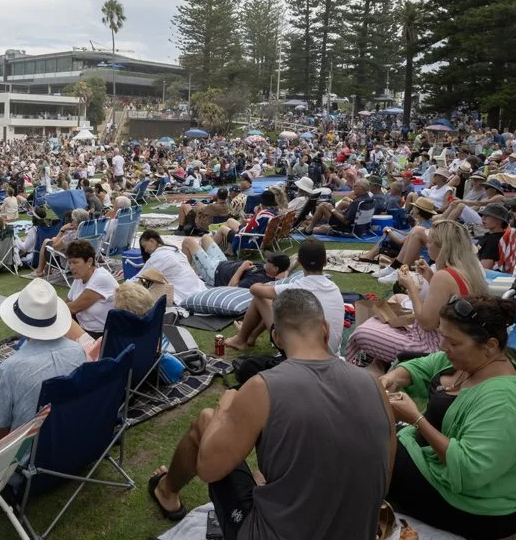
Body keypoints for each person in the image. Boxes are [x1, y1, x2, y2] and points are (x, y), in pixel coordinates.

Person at [149, 289, 395, 539]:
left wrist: (224, 409)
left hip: (269, 532)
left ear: (276, 337)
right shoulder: (376, 386)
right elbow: (383, 481)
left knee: (206, 419)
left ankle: (166, 491)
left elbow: (209, 469)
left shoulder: (262, 387)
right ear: (326, 329)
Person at [380, 296, 516, 539]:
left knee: (371, 455)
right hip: (440, 465)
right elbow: (423, 366)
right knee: (373, 437)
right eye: (442, 336)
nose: (443, 346)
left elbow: (468, 470)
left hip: (482, 507)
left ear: (490, 345)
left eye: (453, 342)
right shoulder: (467, 360)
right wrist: (393, 378)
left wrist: (416, 420)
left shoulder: (504, 403)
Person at [347, 220, 488, 369]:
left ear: (442, 247)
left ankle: (366, 361)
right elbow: (449, 300)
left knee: (361, 333)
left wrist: (410, 287)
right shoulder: (469, 269)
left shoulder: (444, 276)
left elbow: (427, 323)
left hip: (436, 348)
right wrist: (430, 277)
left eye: (430, 242)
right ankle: (376, 361)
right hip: (460, 340)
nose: (427, 245)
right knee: (385, 309)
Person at [0, 278, 86, 441]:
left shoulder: (12, 367)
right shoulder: (78, 351)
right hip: (70, 438)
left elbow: (1, 431)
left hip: (28, 450)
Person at [225, 239, 345, 355]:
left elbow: (254, 289)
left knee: (260, 298)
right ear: (325, 262)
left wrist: (266, 284)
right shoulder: (334, 288)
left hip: (304, 354)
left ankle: (240, 340)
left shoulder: (297, 288)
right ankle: (251, 336)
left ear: (300, 262)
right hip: (331, 353)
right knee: (280, 304)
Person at [137, 229, 206, 306]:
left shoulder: (158, 257)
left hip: (186, 295)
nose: (145, 250)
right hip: (199, 288)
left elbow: (139, 279)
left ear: (152, 241)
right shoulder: (174, 250)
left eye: (145, 246)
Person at [64, 239, 117, 336]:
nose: (71, 267)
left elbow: (74, 308)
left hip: (104, 335)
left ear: (89, 261)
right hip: (84, 329)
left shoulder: (101, 278)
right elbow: (67, 303)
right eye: (70, 263)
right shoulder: (79, 277)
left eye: (75, 262)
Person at [475, 204, 516, 272]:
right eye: (482, 215)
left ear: (499, 220)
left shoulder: (492, 241)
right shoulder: (493, 236)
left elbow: (483, 269)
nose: (483, 218)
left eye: (487, 216)